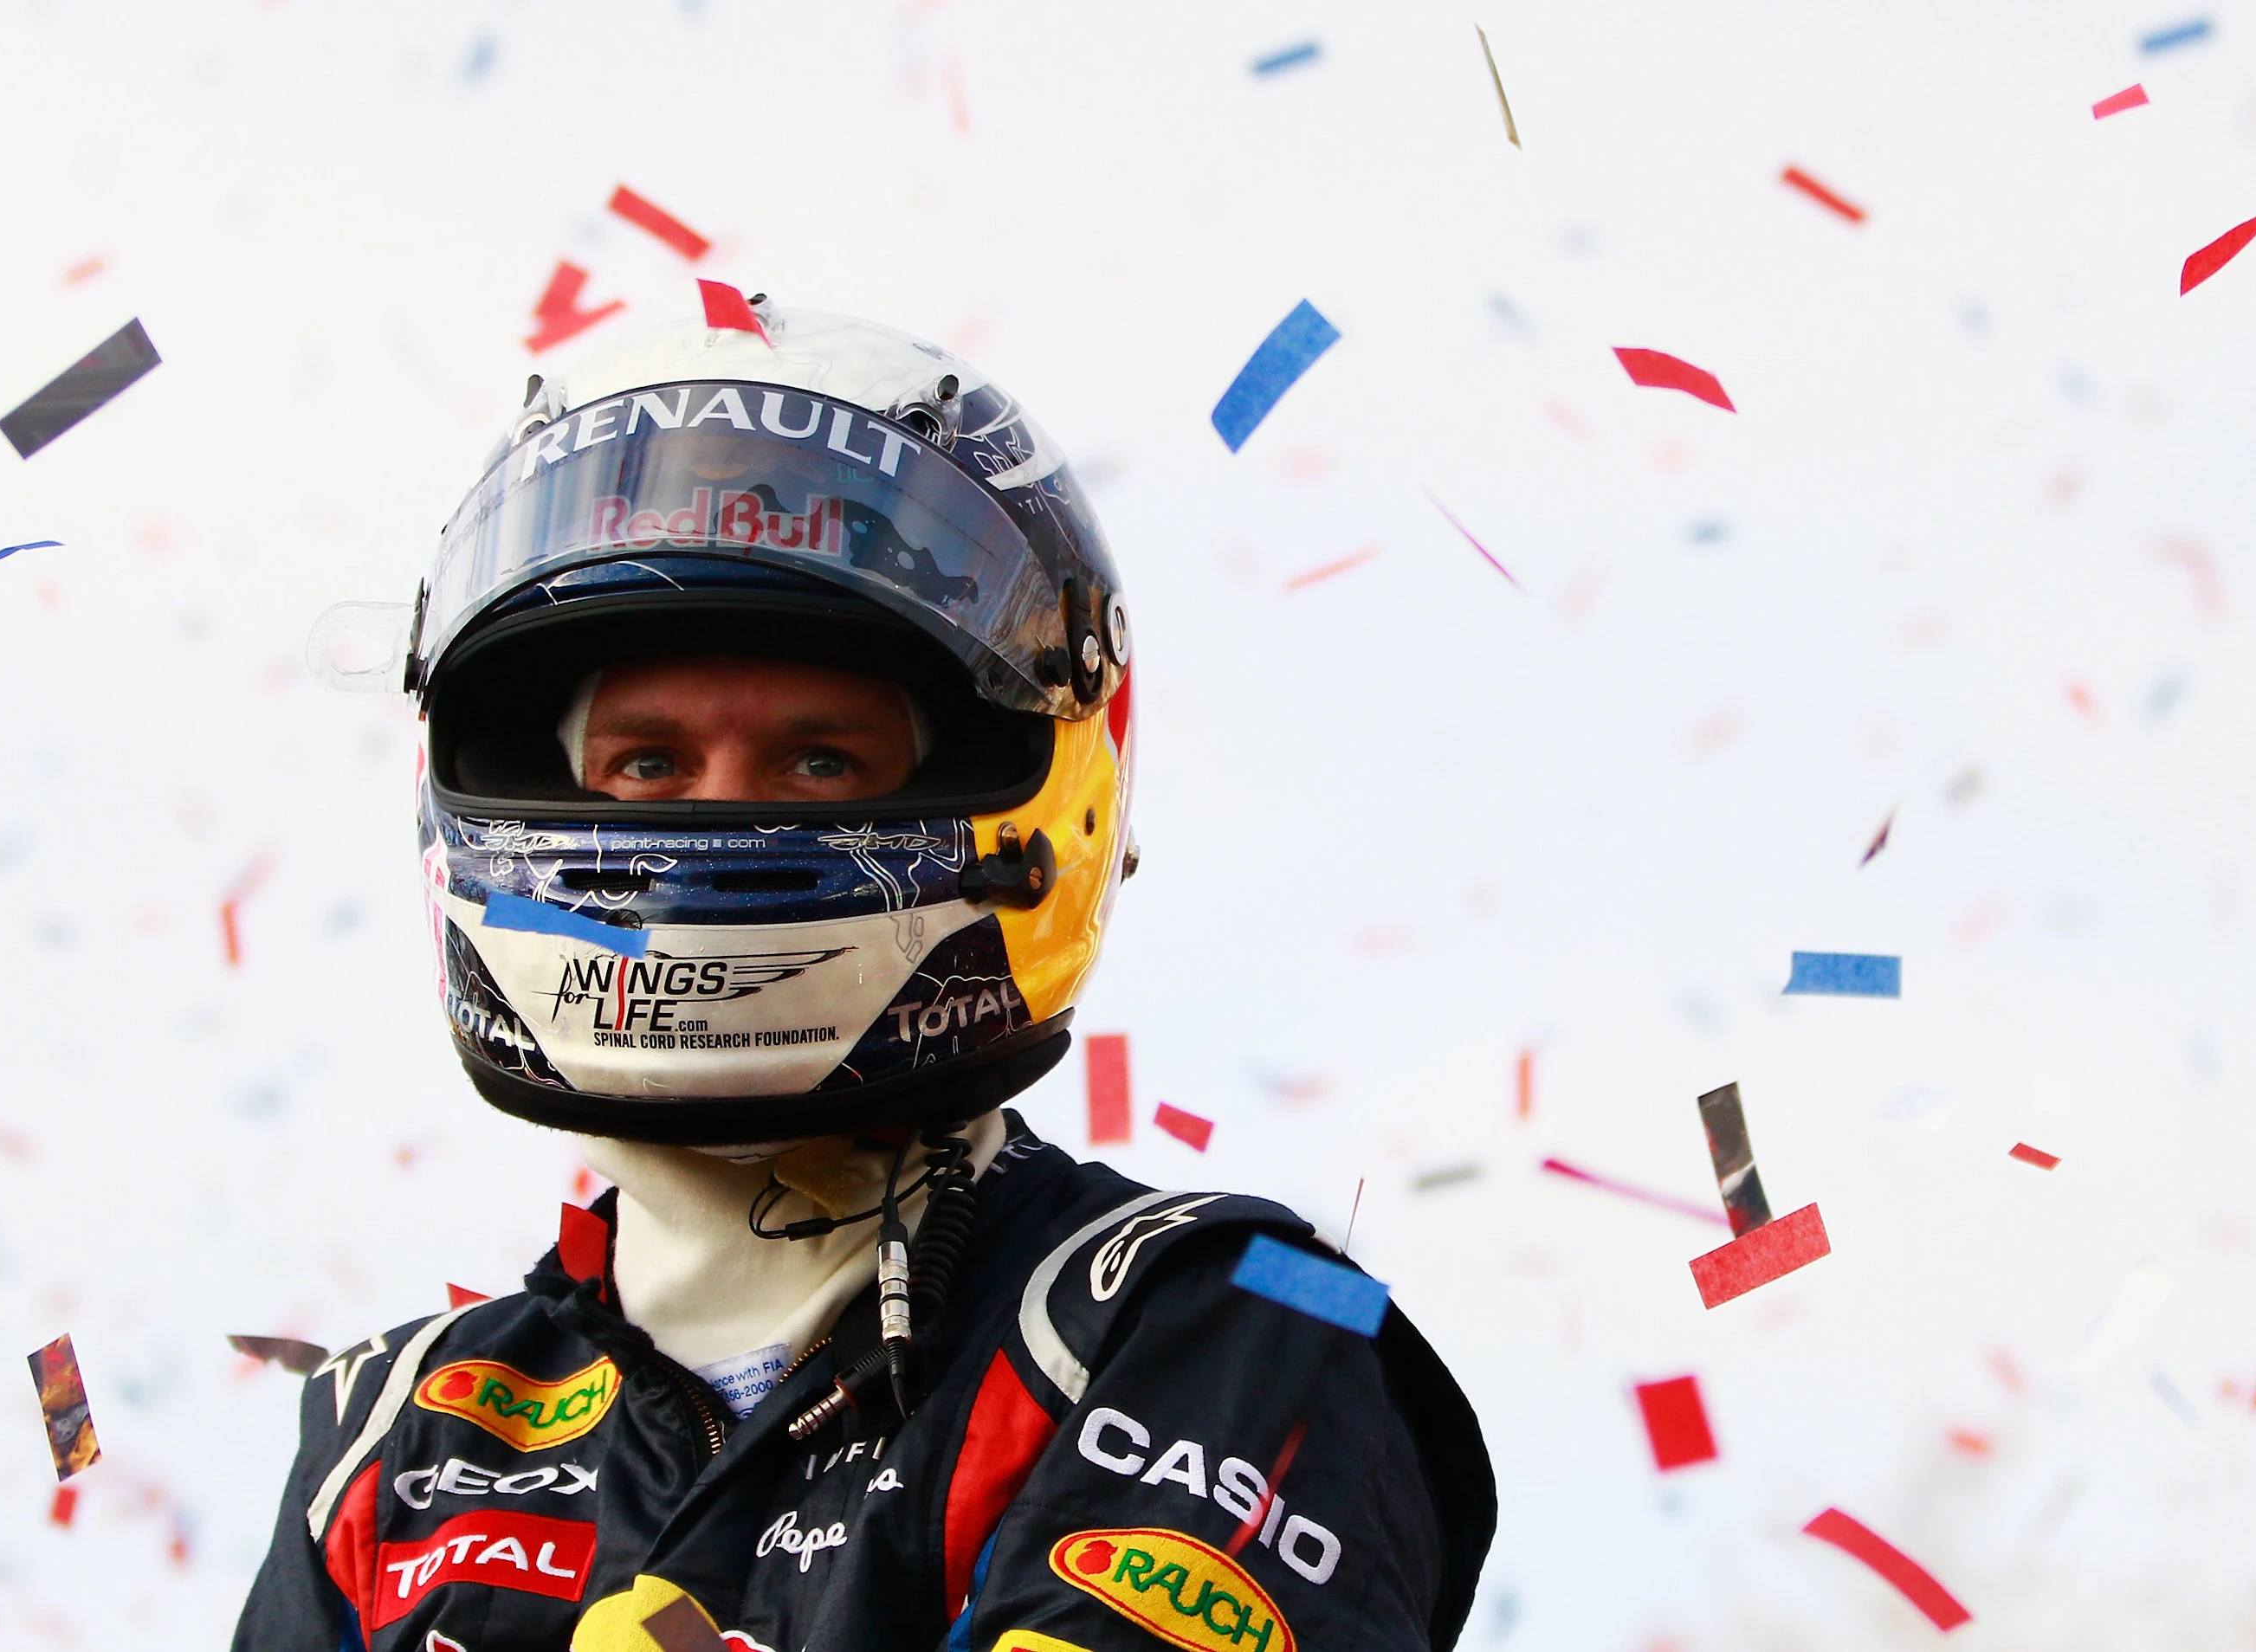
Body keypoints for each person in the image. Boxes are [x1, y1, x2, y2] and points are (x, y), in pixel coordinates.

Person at [234, 300, 1494, 1652]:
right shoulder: (391, 1435)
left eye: (821, 760)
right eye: (648, 764)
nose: (714, 823)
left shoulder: (1230, 1316)